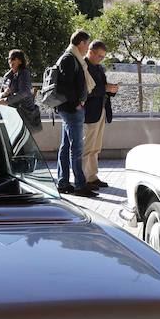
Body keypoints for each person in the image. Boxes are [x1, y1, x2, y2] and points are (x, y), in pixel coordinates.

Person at [52, 29, 96, 197]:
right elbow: (65, 86)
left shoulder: (72, 58)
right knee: (76, 148)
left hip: (69, 109)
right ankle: (79, 185)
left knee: (66, 147)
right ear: (81, 43)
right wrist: (77, 103)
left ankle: (63, 183)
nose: (87, 48)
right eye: (87, 44)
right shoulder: (69, 59)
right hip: (71, 110)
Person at [83, 40, 119, 189]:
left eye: (103, 57)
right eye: (100, 56)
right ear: (91, 52)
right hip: (90, 112)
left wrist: (111, 90)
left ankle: (92, 176)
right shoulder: (84, 67)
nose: (101, 59)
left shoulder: (98, 68)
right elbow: (86, 92)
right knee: (87, 147)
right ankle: (84, 179)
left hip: (101, 110)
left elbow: (101, 88)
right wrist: (105, 88)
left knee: (96, 147)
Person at [0, 49, 41, 131]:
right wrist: (4, 94)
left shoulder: (24, 73)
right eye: (9, 59)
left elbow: (24, 92)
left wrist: (7, 100)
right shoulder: (8, 76)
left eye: (13, 58)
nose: (10, 61)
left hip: (24, 112)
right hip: (12, 112)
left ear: (20, 61)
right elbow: (0, 94)